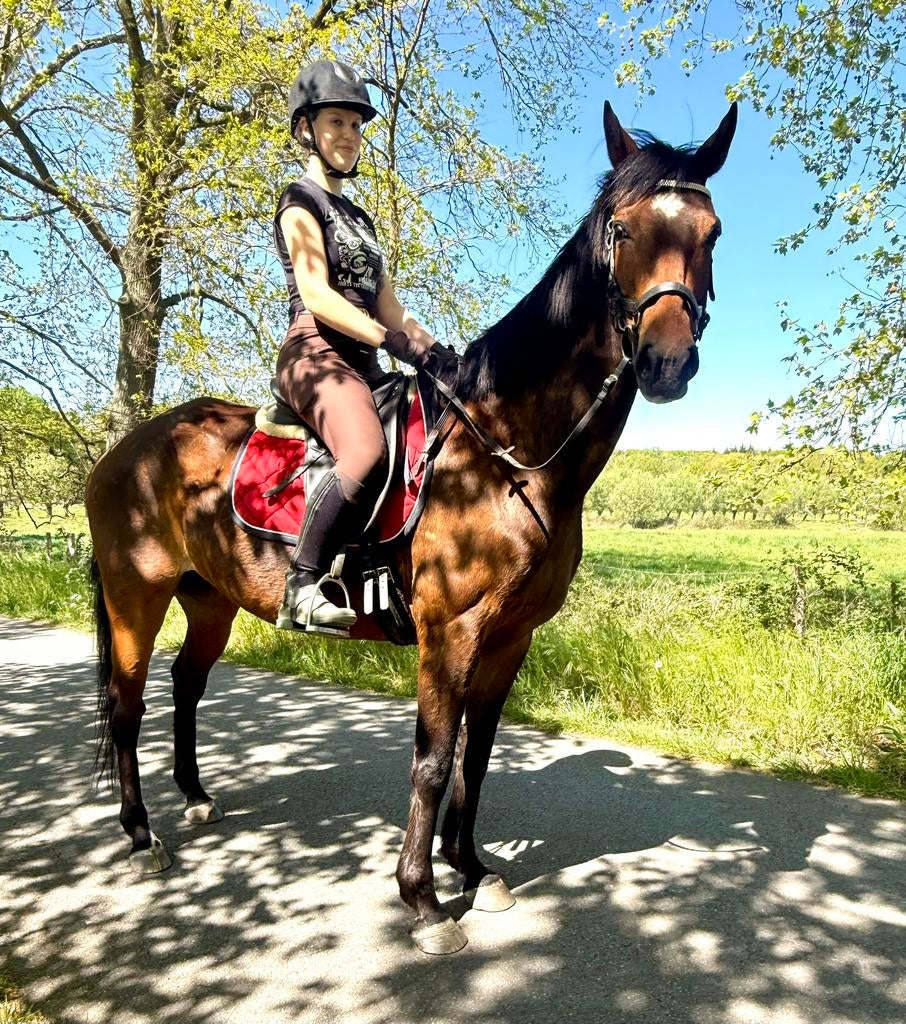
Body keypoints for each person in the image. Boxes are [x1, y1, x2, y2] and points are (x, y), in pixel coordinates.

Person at [273, 59, 456, 635]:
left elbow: (391, 307)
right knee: (366, 449)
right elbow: (317, 294)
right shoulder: (300, 201)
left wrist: (437, 352)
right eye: (336, 122)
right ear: (306, 128)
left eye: (356, 125)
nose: (350, 135)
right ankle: (302, 586)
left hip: (363, 362)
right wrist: (390, 341)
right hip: (314, 355)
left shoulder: (362, 220)